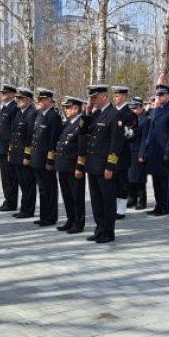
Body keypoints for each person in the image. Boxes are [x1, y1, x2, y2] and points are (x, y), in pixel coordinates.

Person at [76, 85, 124, 244]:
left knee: (107, 201)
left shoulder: (114, 114)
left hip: (104, 167)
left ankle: (108, 232)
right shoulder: (94, 114)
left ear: (103, 96)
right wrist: (86, 112)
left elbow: (115, 144)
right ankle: (99, 229)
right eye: (91, 98)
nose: (92, 101)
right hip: (93, 165)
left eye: (94, 98)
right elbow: (82, 131)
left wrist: (110, 166)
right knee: (96, 200)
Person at [139, 84, 169, 216]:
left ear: (168, 95)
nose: (159, 97)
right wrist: (145, 150)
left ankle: (164, 207)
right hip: (154, 151)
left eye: (162, 94)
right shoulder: (155, 110)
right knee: (156, 181)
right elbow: (150, 133)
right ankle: (158, 205)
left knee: (164, 181)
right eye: (158, 94)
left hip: (164, 152)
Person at [29, 88, 61, 227]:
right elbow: (34, 137)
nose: (39, 102)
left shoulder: (54, 117)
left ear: (49, 100)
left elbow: (53, 140)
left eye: (42, 100)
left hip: (45, 160)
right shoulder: (39, 114)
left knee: (49, 189)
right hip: (37, 158)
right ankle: (44, 216)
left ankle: (50, 217)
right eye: (39, 100)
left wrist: (50, 159)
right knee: (42, 189)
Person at [55, 97, 86, 234]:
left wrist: (80, 167)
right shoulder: (68, 123)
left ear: (76, 108)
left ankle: (78, 223)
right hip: (64, 166)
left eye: (68, 107)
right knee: (67, 195)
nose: (66, 110)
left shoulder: (82, 123)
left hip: (74, 167)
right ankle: (70, 219)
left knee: (76, 196)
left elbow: (82, 147)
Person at [8, 88, 38, 219]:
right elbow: (13, 134)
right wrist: (10, 152)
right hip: (16, 154)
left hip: (24, 156)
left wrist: (27, 155)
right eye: (17, 98)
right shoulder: (19, 113)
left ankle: (28, 210)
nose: (18, 101)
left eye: (21, 99)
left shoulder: (32, 114)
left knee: (28, 184)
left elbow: (30, 137)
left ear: (28, 100)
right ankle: (24, 208)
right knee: (22, 183)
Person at [111, 86, 137, 219]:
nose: (115, 98)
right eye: (114, 96)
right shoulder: (112, 112)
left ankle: (121, 209)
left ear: (124, 97)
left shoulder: (129, 114)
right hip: (110, 153)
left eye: (117, 96)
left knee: (121, 181)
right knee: (112, 181)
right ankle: (113, 206)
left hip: (122, 154)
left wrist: (119, 130)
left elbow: (131, 134)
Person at [0, 85, 19, 212]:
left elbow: (13, 130)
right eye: (2, 93)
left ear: (11, 94)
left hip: (7, 148)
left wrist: (11, 148)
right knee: (4, 176)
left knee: (10, 176)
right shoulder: (5, 108)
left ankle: (11, 202)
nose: (2, 95)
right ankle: (7, 200)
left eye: (4, 93)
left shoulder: (14, 108)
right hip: (0, 147)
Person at [127, 98, 150, 210]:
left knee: (139, 179)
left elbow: (145, 138)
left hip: (138, 152)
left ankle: (142, 200)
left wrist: (142, 153)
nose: (134, 110)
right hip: (130, 152)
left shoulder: (145, 120)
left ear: (141, 107)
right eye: (132, 108)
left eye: (135, 108)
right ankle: (132, 198)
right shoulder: (132, 119)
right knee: (130, 177)